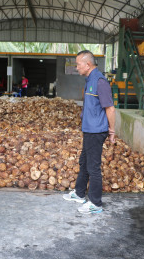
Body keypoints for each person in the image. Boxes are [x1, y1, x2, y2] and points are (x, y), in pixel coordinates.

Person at [63, 50, 115, 214]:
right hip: (89, 130)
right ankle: (79, 194)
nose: (77, 67)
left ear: (87, 64)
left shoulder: (100, 81)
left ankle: (96, 203)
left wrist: (112, 131)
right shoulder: (90, 80)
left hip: (96, 131)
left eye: (78, 64)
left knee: (93, 167)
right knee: (84, 162)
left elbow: (110, 108)